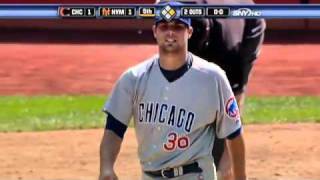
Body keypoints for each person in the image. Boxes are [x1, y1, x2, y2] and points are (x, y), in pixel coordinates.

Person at [99, 1, 247, 180]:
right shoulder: (133, 78)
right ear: (155, 31)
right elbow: (114, 128)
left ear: (189, 32)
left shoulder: (213, 78)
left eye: (178, 26)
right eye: (164, 26)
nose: (170, 33)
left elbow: (234, 135)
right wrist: (106, 167)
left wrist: (240, 177)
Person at [156, 1, 266, 180]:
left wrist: (227, 163)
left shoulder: (230, 51)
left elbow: (233, 109)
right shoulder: (174, 28)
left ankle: (225, 164)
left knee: (229, 112)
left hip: (248, 23)